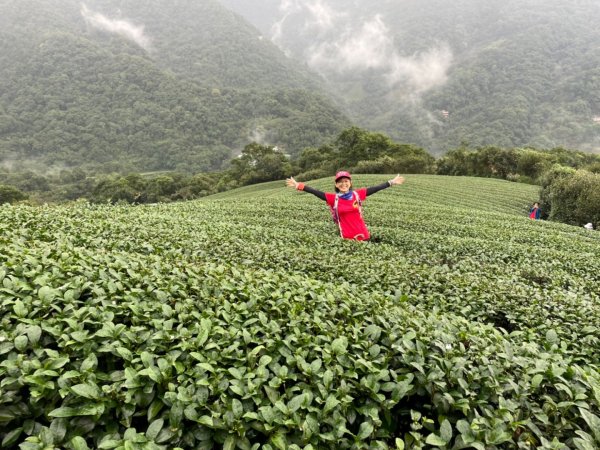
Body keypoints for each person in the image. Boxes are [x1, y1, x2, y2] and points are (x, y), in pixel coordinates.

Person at [286, 171, 405, 240]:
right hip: (346, 236)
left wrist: (391, 182)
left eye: (346, 181)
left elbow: (375, 188)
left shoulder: (358, 194)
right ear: (336, 185)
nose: (344, 184)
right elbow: (314, 191)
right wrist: (298, 185)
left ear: (350, 183)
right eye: (340, 182)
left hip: (363, 234)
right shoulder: (333, 198)